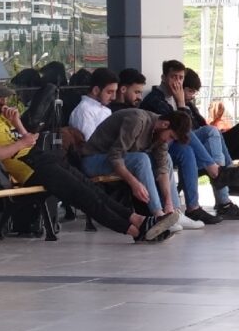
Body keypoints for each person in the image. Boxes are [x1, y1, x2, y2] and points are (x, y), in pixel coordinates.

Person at [0, 83, 176, 244]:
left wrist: (17, 124)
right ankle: (134, 231)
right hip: (30, 169)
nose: (3, 101)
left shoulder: (1, 117)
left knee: (91, 189)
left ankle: (139, 220)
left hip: (41, 158)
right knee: (82, 195)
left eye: (4, 97)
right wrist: (21, 142)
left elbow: (28, 140)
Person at [140, 60, 236, 223]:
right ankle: (217, 177)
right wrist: (181, 104)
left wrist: (183, 103)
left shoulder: (178, 98)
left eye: (181, 78)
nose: (177, 82)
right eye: (173, 77)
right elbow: (179, 128)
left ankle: (199, 204)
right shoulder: (155, 99)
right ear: (163, 77)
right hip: (160, 145)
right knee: (202, 136)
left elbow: (196, 125)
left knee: (208, 134)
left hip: (179, 143)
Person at [80, 108, 193, 229]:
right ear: (165, 124)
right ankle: (159, 216)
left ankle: (173, 213)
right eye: (171, 136)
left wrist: (168, 202)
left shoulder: (160, 133)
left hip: (117, 159)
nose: (168, 141)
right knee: (141, 159)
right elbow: (115, 156)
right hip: (93, 160)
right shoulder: (137, 121)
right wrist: (134, 183)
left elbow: (162, 168)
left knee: (167, 159)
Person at [68, 68, 117, 140]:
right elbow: (90, 143)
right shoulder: (84, 111)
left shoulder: (105, 109)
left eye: (115, 92)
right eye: (109, 92)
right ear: (96, 90)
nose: (114, 97)